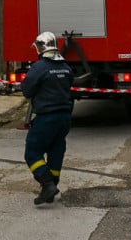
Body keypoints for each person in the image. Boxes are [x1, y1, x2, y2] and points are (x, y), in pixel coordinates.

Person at [21, 31, 74, 206]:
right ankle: (49, 191)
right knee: (56, 152)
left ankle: (47, 184)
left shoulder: (39, 67)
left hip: (46, 118)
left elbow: (27, 90)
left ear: (41, 47)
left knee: (32, 152)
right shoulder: (66, 68)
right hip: (65, 118)